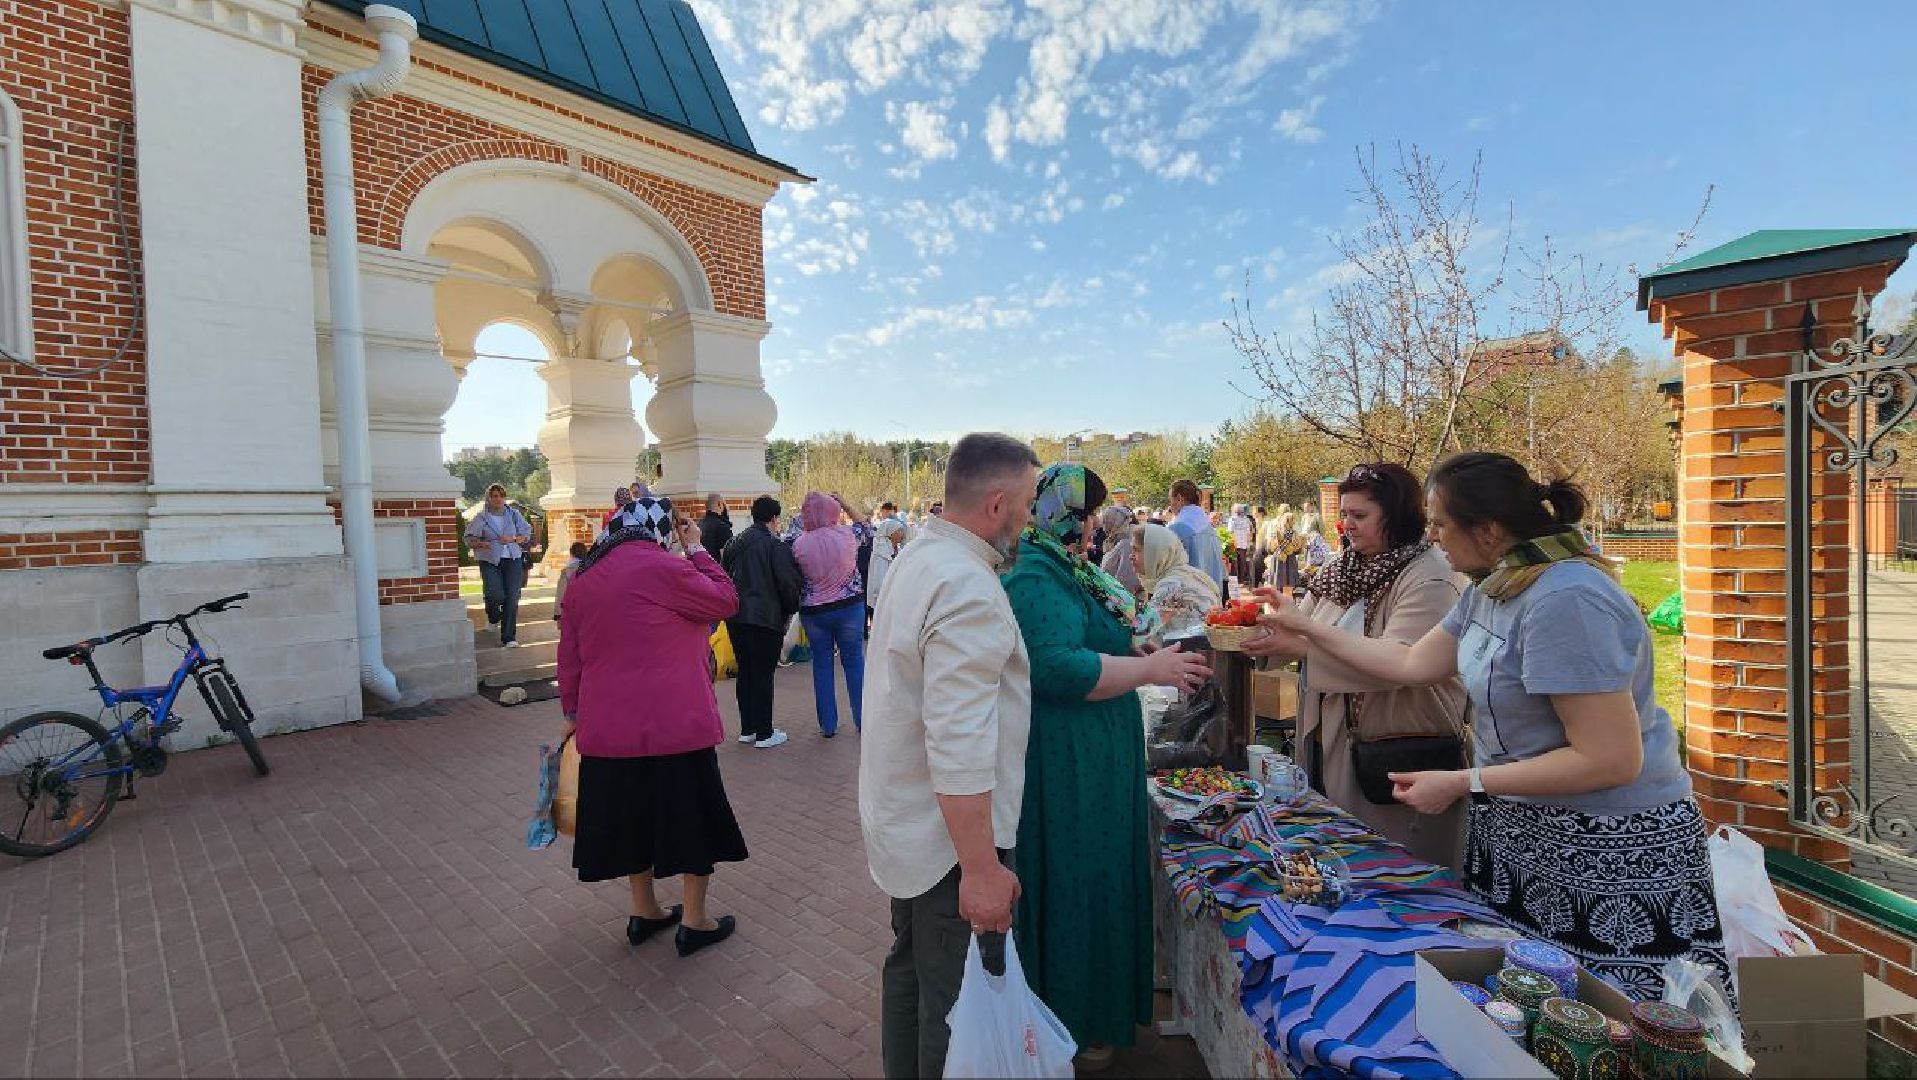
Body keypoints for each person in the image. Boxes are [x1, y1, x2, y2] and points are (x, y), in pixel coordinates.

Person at [1256, 452, 1727, 998]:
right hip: (1525, 829)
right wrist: (1304, 629)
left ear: (1487, 530)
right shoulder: (1491, 587)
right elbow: (1409, 663)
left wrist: (1465, 782)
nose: (1430, 536)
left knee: (1610, 1021)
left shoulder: (1565, 598)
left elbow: (1609, 758)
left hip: (1606, 850)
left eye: (1439, 524)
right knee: (1529, 1012)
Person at [1003, 464, 1211, 1066]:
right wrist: (1150, 669)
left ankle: (1095, 1013)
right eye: (1088, 511)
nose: (1095, 523)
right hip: (1070, 758)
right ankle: (1075, 1018)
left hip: (1095, 750)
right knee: (1079, 878)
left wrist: (1137, 648)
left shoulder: (1066, 567)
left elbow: (1097, 640)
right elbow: (1059, 667)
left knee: (1100, 872)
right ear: (1064, 512)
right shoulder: (1038, 576)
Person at [861, 433, 1040, 1080]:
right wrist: (981, 870)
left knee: (912, 975)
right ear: (995, 503)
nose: (1030, 517)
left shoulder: (924, 555)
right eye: (1026, 502)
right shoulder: (965, 585)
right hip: (947, 847)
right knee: (957, 1008)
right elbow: (958, 743)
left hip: (910, 830)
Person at [1242, 465, 1468, 868]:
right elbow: (1300, 635)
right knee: (1340, 859)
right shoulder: (1341, 568)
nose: (1346, 525)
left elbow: (1397, 662)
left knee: (1397, 870)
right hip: (1329, 742)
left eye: (1359, 516)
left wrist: (1304, 636)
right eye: (1343, 515)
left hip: (1397, 745)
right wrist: (1256, 632)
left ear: (1397, 515)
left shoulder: (1432, 575)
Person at [557, 498, 746, 958]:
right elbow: (726, 599)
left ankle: (646, 910)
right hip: (675, 723)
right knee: (693, 820)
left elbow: (571, 658)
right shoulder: (665, 569)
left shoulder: (583, 580)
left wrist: (573, 715)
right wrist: (698, 549)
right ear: (659, 530)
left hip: (608, 729)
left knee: (630, 821)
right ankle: (695, 920)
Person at [721, 496, 802, 748]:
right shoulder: (774, 546)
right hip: (765, 617)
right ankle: (765, 732)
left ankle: (749, 728)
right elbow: (788, 584)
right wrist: (790, 610)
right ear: (774, 518)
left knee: (746, 671)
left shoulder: (735, 543)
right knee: (764, 674)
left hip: (736, 617)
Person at [793, 491, 873, 737]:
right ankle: (862, 720)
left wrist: (809, 508)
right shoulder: (848, 535)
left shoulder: (798, 542)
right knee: (854, 662)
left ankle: (828, 725)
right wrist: (845, 502)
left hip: (814, 612)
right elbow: (867, 528)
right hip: (849, 608)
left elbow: (793, 526)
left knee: (822, 665)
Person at [464, 484, 532, 647]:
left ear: (504, 498)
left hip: (513, 559)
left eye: (501, 495)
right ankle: (493, 616)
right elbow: (468, 539)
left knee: (512, 597)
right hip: (490, 560)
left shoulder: (514, 514)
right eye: (494, 496)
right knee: (495, 594)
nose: (498, 499)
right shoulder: (481, 517)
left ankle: (509, 637)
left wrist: (513, 539)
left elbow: (526, 534)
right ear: (489, 498)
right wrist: (479, 544)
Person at [1134, 522, 1219, 642]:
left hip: (1188, 655)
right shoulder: (1190, 574)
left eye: (1136, 550)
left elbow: (1140, 632)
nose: (1131, 556)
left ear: (1155, 553)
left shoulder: (1171, 584)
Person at [1165, 479, 1225, 597]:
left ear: (1179, 498)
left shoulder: (1178, 529)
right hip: (1212, 598)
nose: (1170, 505)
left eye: (1170, 499)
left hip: (1189, 601)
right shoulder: (1209, 528)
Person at [1096, 505, 1141, 595]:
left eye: (1106, 521)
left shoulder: (1127, 544)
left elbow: (1126, 583)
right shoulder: (1116, 539)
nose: (1104, 525)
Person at [867, 516, 907, 614]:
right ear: (890, 533)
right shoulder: (881, 553)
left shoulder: (897, 550)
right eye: (899, 531)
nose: (902, 534)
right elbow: (879, 582)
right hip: (884, 599)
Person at [555, 540, 588, 624]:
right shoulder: (592, 568)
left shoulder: (566, 572)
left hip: (571, 609)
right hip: (588, 607)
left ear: (571, 554)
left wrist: (558, 614)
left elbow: (561, 594)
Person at [1227, 503, 1256, 583]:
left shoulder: (1232, 519)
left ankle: (1235, 579)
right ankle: (1241, 579)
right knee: (1242, 561)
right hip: (1243, 544)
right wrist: (1249, 542)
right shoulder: (1247, 520)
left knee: (1234, 562)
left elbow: (1230, 532)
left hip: (1234, 543)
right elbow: (1251, 532)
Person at [699, 493, 733, 561]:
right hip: (717, 568)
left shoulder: (700, 524)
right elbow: (726, 557)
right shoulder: (722, 526)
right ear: (719, 504)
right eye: (725, 504)